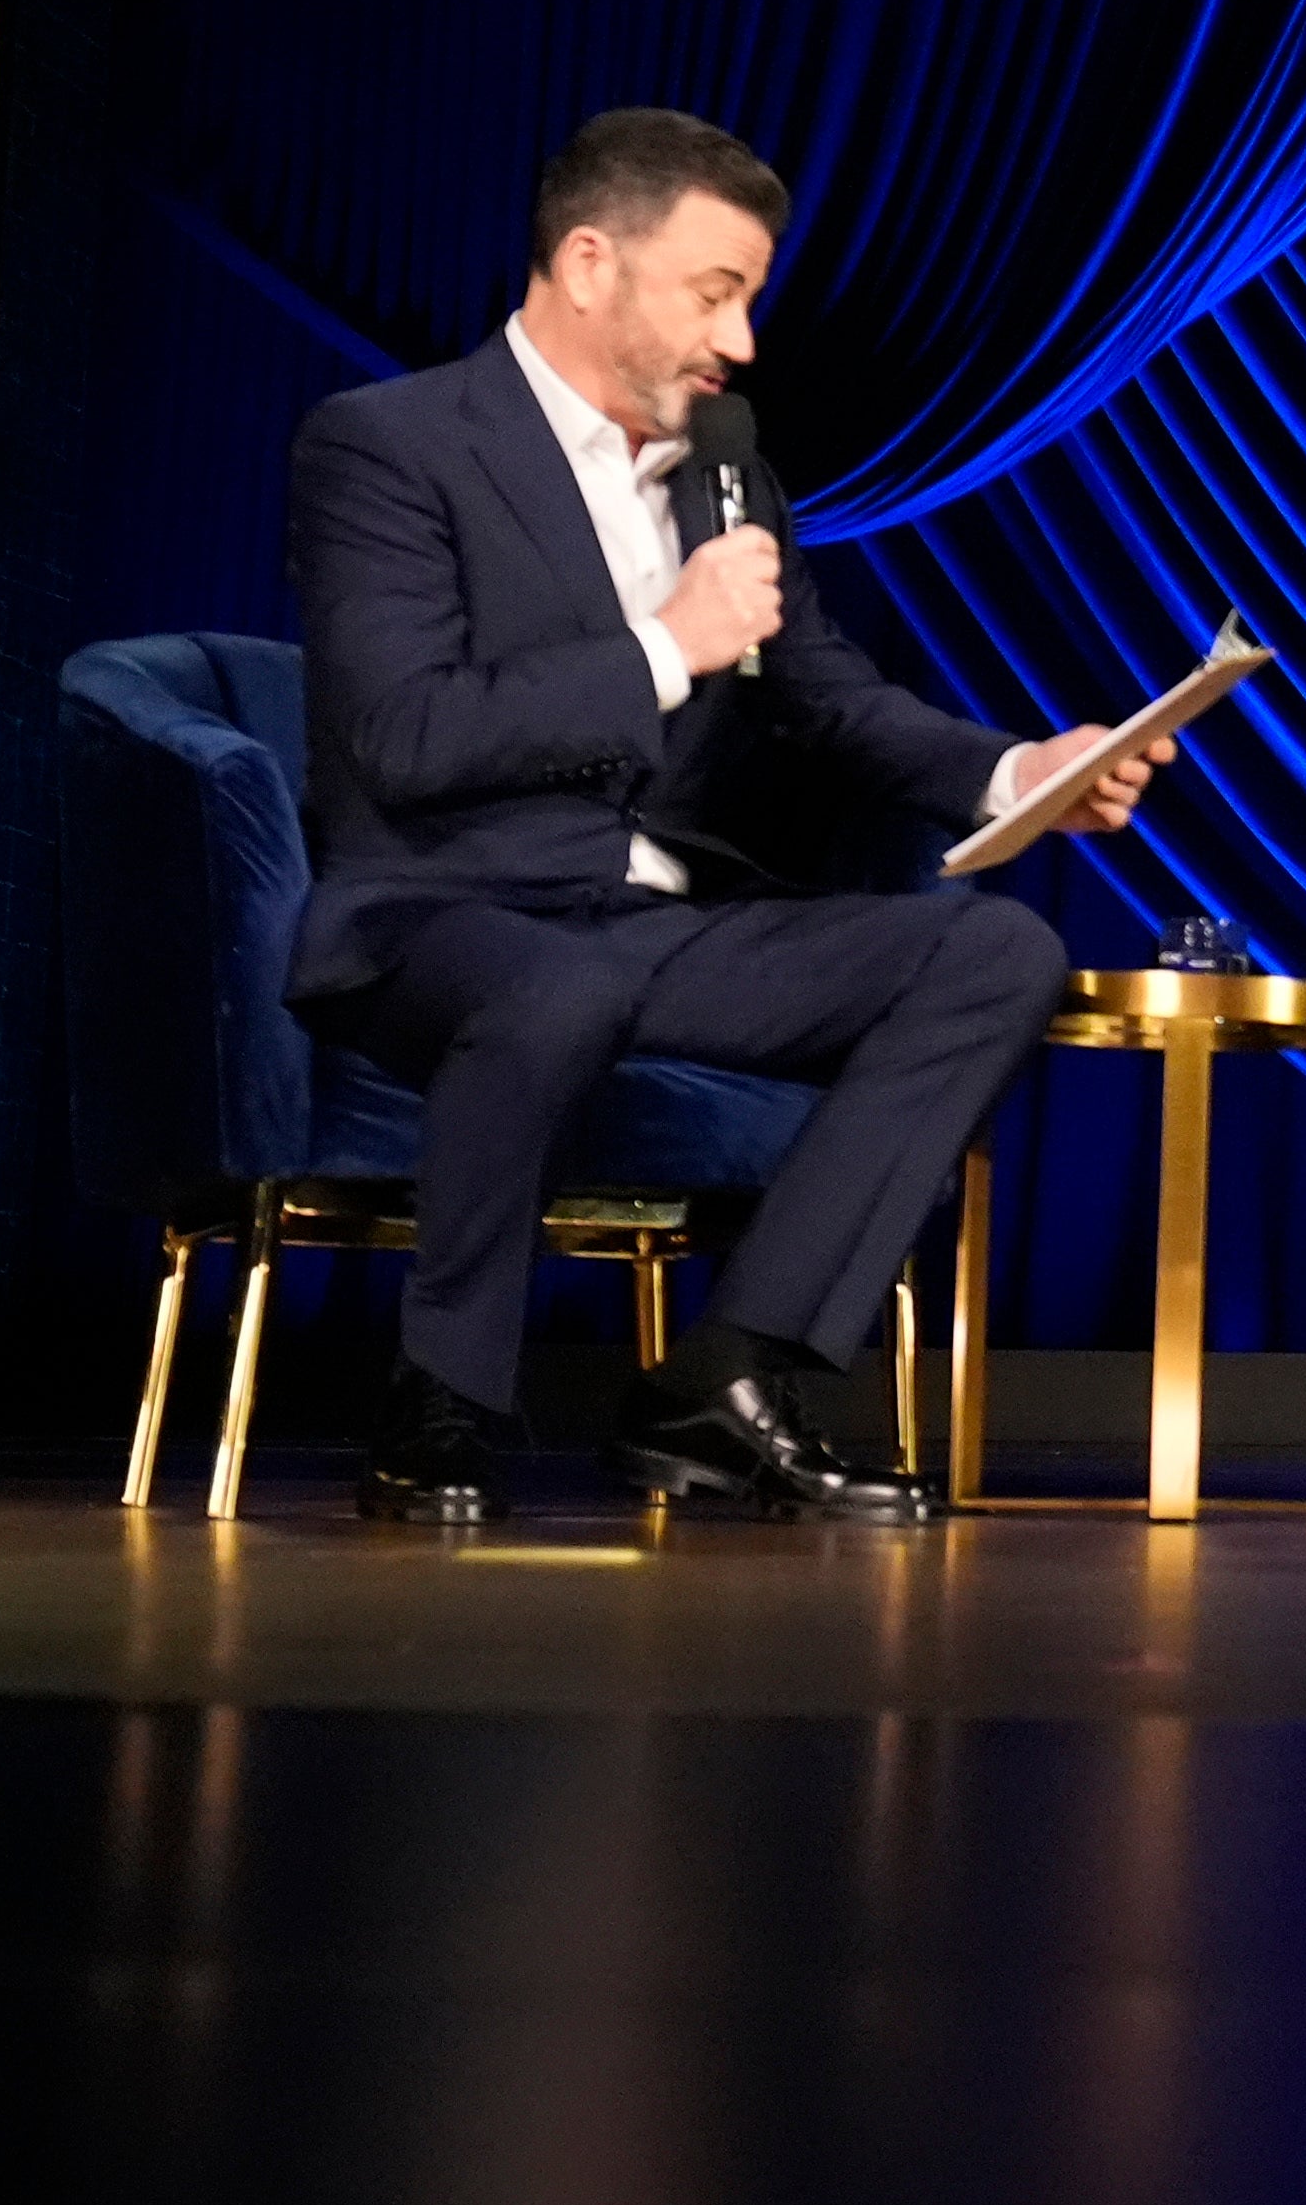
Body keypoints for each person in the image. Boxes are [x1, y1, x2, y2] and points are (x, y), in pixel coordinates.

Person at [289, 108, 1171, 1526]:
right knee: (555, 987)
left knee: (990, 956)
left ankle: (728, 1371)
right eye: (719, 294)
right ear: (590, 264)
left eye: (748, 301)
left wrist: (1022, 773)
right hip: (441, 916)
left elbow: (826, 697)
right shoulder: (390, 446)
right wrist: (663, 648)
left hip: (649, 925)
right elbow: (403, 734)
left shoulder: (724, 476)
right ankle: (439, 1388)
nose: (742, 343)